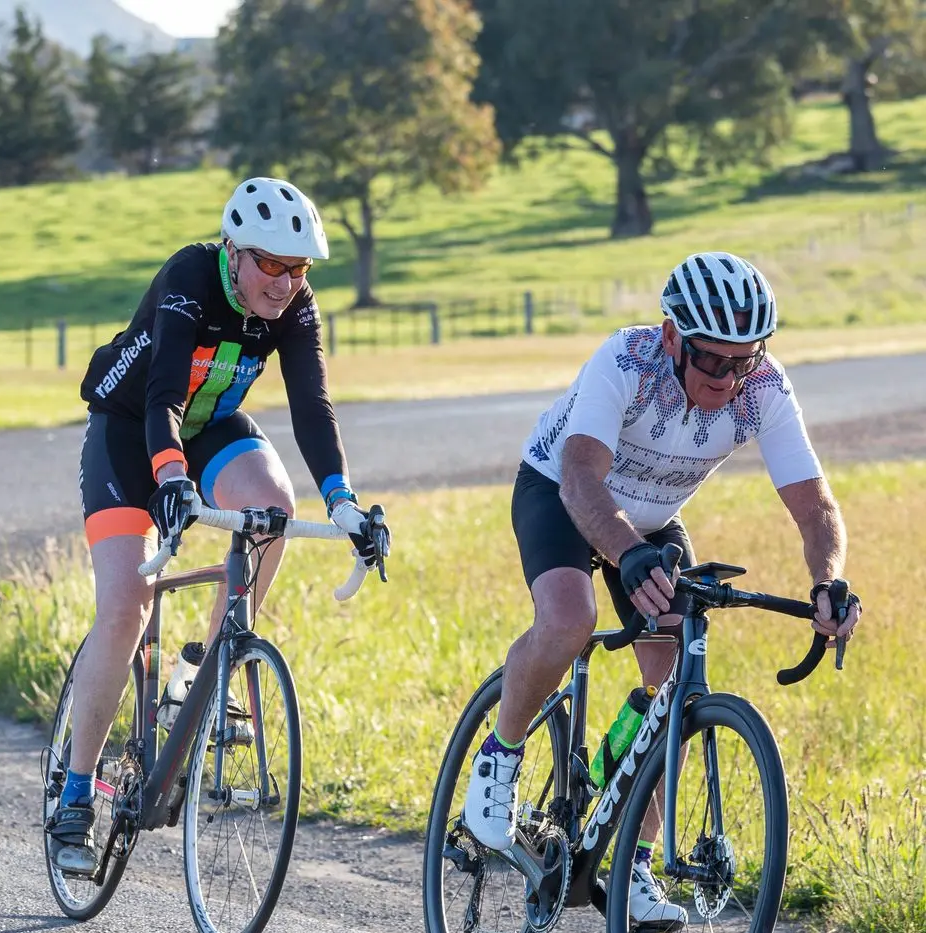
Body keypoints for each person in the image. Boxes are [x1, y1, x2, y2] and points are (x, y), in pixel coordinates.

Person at [461, 251, 864, 927]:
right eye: (712, 360)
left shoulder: (761, 385)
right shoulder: (626, 361)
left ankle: (634, 861)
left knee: (676, 677)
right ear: (672, 336)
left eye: (743, 360)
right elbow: (582, 477)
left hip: (652, 519)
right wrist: (627, 554)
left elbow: (814, 505)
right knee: (569, 615)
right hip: (560, 494)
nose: (729, 378)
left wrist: (827, 580)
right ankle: (498, 757)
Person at [45, 177, 384, 875]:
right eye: (270, 263)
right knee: (126, 606)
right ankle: (76, 792)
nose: (285, 282)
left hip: (208, 427)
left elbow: (313, 408)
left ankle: (204, 662)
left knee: (275, 508)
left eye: (299, 268)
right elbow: (164, 391)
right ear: (233, 251)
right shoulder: (190, 276)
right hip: (131, 430)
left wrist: (345, 502)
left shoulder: (293, 305)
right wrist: (169, 477)